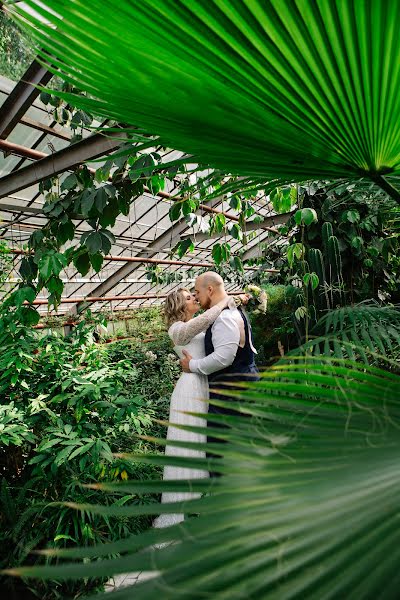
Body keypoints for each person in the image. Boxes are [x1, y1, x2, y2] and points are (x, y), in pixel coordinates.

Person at [154, 286, 248, 528]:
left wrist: (240, 303)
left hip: (204, 383)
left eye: (193, 295)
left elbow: (218, 327)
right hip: (189, 389)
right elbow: (207, 318)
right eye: (188, 298)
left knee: (201, 444)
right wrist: (224, 301)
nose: (194, 298)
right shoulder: (176, 330)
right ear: (179, 306)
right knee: (187, 443)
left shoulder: (200, 322)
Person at [180, 272, 259, 477]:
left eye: (197, 292)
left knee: (218, 448)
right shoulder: (231, 310)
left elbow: (224, 357)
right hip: (242, 382)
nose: (196, 297)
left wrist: (192, 365)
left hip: (230, 389)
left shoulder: (224, 317)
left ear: (210, 290)